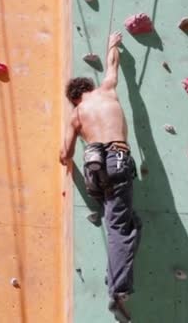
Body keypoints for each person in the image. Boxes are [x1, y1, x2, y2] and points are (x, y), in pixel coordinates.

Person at [59, 31, 142, 323]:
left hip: (96, 171)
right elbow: (112, 65)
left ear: (73, 98)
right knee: (122, 229)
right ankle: (118, 291)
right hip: (118, 161)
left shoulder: (77, 114)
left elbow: (65, 154)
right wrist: (112, 44)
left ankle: (114, 280)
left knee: (126, 224)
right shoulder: (106, 90)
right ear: (89, 87)